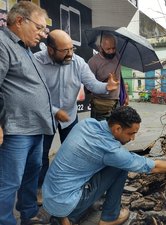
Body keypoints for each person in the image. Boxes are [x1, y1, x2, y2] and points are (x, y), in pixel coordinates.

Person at [42, 106, 166, 225]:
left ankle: (68, 214)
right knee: (120, 166)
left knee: (103, 165)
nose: (133, 139)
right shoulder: (111, 151)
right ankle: (109, 217)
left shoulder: (87, 124)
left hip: (50, 196)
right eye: (131, 133)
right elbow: (152, 166)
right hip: (68, 204)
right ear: (117, 128)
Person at [34, 29, 119, 203]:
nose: (70, 54)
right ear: (50, 50)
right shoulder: (36, 62)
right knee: (40, 156)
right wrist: (55, 111)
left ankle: (71, 184)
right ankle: (40, 188)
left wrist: (106, 87)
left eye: (72, 49)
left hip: (70, 116)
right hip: (44, 116)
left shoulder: (78, 62)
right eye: (65, 50)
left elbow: (92, 83)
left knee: (74, 151)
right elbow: (34, 95)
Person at [0, 2, 55, 225]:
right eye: (39, 28)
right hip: (17, 129)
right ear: (20, 21)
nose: (42, 35)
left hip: (35, 127)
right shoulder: (2, 44)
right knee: (9, 181)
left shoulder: (24, 48)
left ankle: (28, 213)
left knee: (31, 175)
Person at [88, 33, 129, 121]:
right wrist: (106, 84)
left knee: (116, 131)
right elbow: (88, 86)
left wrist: (125, 94)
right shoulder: (93, 62)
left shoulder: (117, 56)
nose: (111, 51)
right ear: (99, 47)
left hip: (117, 103)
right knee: (100, 132)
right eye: (108, 49)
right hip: (101, 106)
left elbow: (119, 76)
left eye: (113, 48)